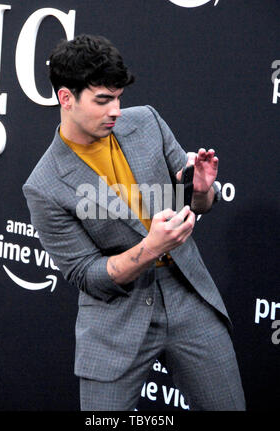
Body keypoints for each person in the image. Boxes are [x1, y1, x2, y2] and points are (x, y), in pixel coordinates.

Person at [23, 34, 246, 411]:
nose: (116, 110)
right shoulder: (44, 186)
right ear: (66, 99)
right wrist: (151, 248)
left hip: (186, 292)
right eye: (103, 100)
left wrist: (201, 190)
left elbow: (193, 204)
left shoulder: (147, 123)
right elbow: (87, 276)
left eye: (119, 97)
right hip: (115, 316)